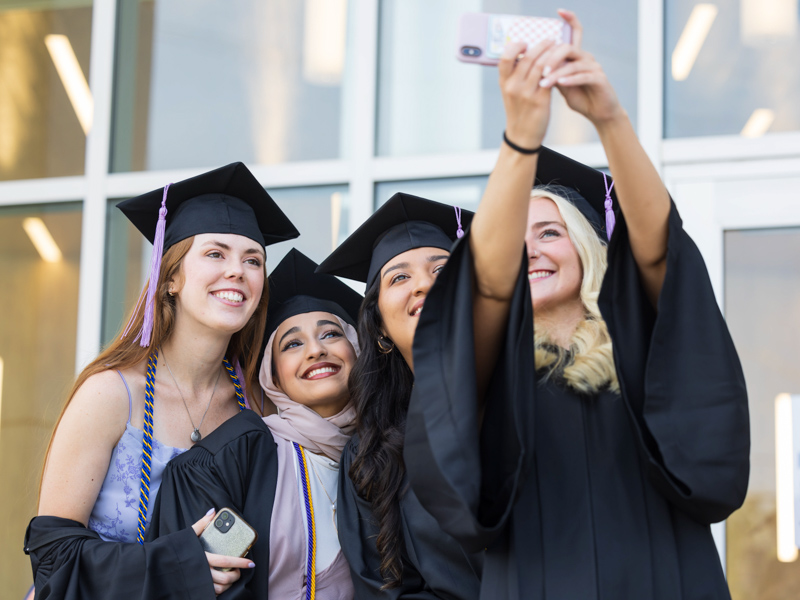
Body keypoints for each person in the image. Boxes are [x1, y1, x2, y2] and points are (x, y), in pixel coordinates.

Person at [402, 10, 750, 600]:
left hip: (666, 582)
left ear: (587, 249)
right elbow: (485, 285)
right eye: (516, 239)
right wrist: (522, 138)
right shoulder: (494, 368)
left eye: (549, 233)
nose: (530, 250)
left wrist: (609, 120)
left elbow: (660, 251)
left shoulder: (643, 351)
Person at [24, 162, 299, 599]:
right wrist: (181, 565)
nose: (238, 271)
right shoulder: (111, 394)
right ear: (171, 277)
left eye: (253, 260)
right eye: (215, 253)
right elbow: (54, 560)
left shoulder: (259, 408)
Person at [149, 248, 363, 599]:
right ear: (272, 375)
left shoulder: (387, 452)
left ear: (358, 350)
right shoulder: (239, 455)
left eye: (331, 334)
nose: (315, 351)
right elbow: (202, 584)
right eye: (293, 343)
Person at [316, 193, 482, 599]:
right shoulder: (370, 456)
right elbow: (388, 588)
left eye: (442, 269)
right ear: (380, 330)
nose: (425, 283)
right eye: (399, 277)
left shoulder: (530, 395)